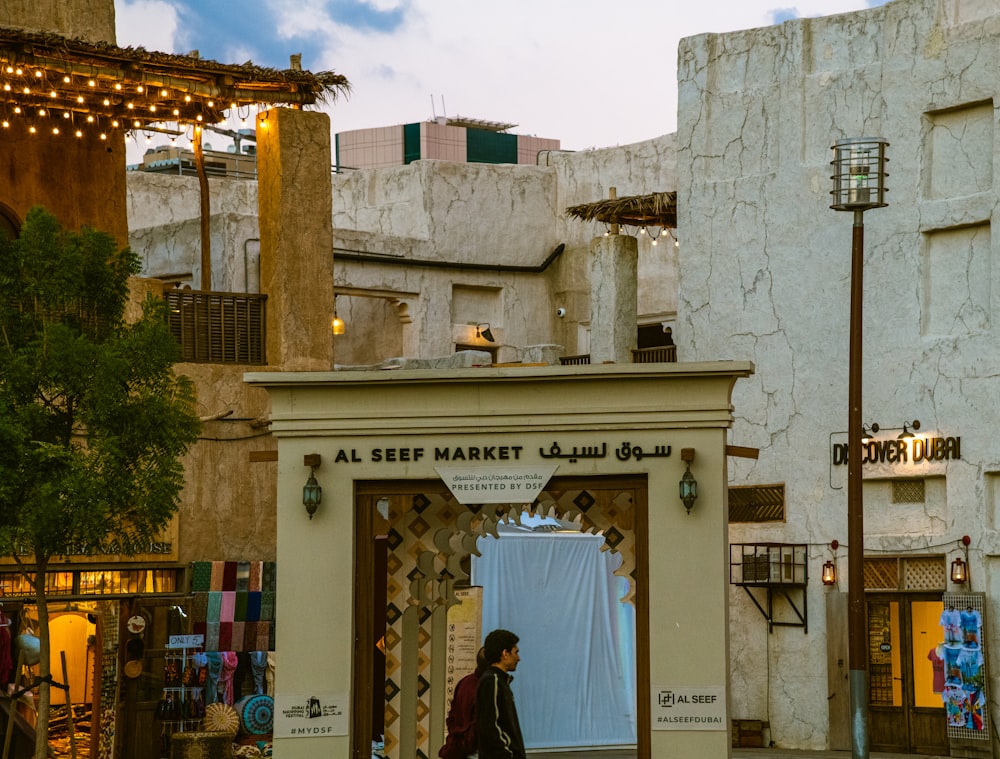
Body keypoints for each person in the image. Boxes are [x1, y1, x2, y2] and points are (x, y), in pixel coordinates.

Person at [476, 629, 525, 759]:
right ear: (505, 653)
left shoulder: (500, 681)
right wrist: (508, 755)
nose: (518, 658)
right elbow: (490, 727)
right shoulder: (492, 681)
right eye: (516, 652)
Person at [439, 647, 487, 759]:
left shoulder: (464, 682)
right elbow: (477, 725)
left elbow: (452, 716)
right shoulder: (485, 688)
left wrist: (454, 738)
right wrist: (467, 744)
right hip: (472, 751)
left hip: (456, 748)